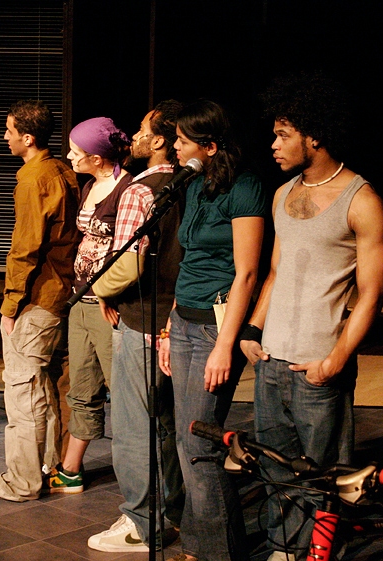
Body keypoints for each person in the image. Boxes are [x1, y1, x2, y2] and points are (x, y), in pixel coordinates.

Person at [241, 73, 383, 561]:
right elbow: (275, 272)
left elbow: (371, 295)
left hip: (317, 368)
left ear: (314, 136)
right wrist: (253, 330)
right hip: (271, 362)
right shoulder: (282, 194)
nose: (273, 144)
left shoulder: (361, 200)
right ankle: (284, 550)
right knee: (277, 473)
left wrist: (334, 361)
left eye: (283, 134)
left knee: (324, 477)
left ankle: (320, 554)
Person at [158, 99, 265, 561]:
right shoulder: (196, 186)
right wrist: (169, 326)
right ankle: (201, 545)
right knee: (187, 440)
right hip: (184, 321)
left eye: (182, 141)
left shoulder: (246, 187)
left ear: (210, 146)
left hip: (213, 330)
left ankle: (221, 551)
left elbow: (247, 273)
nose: (175, 148)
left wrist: (225, 346)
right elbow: (188, 261)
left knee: (199, 441)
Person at [88, 100, 187, 553]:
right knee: (166, 423)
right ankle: (171, 513)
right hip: (177, 322)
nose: (137, 135)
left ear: (160, 140)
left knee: (133, 427)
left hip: (142, 320)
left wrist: (101, 290)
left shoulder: (141, 190)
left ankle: (141, 524)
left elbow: (128, 263)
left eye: (145, 129)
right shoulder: (191, 183)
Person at [0, 100, 80, 502]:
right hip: (60, 293)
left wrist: (10, 305)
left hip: (38, 298)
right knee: (44, 387)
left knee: (23, 392)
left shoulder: (34, 178)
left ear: (28, 137)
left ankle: (22, 482)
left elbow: (25, 248)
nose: (5, 137)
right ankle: (49, 467)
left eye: (10, 130)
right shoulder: (62, 171)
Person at [45, 117, 132, 494]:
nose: (69, 157)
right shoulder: (89, 186)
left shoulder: (127, 189)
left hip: (108, 306)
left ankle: (142, 479)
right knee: (81, 387)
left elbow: (128, 249)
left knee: (124, 391)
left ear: (97, 158)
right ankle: (70, 470)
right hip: (81, 300)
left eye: (76, 152)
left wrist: (110, 294)